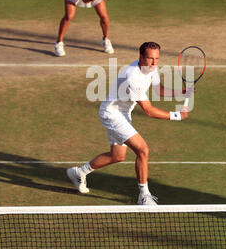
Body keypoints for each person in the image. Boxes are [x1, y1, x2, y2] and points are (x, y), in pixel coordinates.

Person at [67, 42, 190, 205]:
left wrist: (181, 92)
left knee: (117, 156)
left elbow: (159, 89)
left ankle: (79, 173)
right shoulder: (132, 76)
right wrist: (177, 116)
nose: (154, 63)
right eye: (150, 59)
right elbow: (148, 110)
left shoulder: (151, 69)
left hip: (123, 113)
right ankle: (144, 196)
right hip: (112, 114)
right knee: (143, 150)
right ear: (140, 57)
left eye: (157, 59)